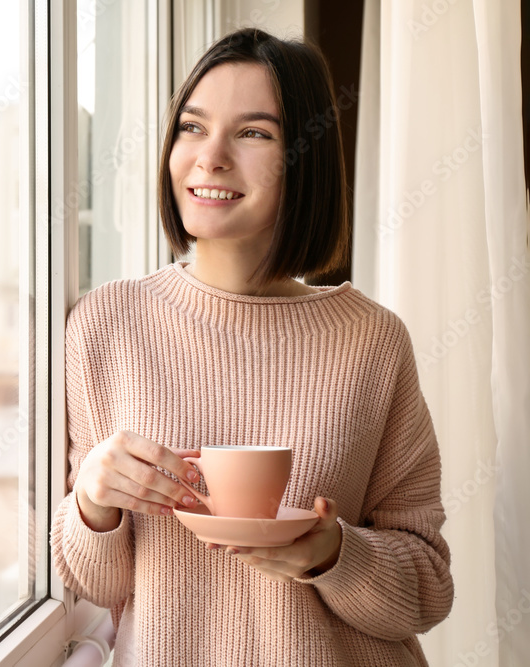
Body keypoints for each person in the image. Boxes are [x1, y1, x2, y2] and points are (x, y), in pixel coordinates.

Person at [50, 27, 453, 666]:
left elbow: (428, 590)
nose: (209, 157)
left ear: (306, 157)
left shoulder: (372, 341)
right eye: (191, 126)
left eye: (254, 133)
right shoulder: (104, 325)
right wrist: (94, 503)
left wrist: (333, 555)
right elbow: (95, 585)